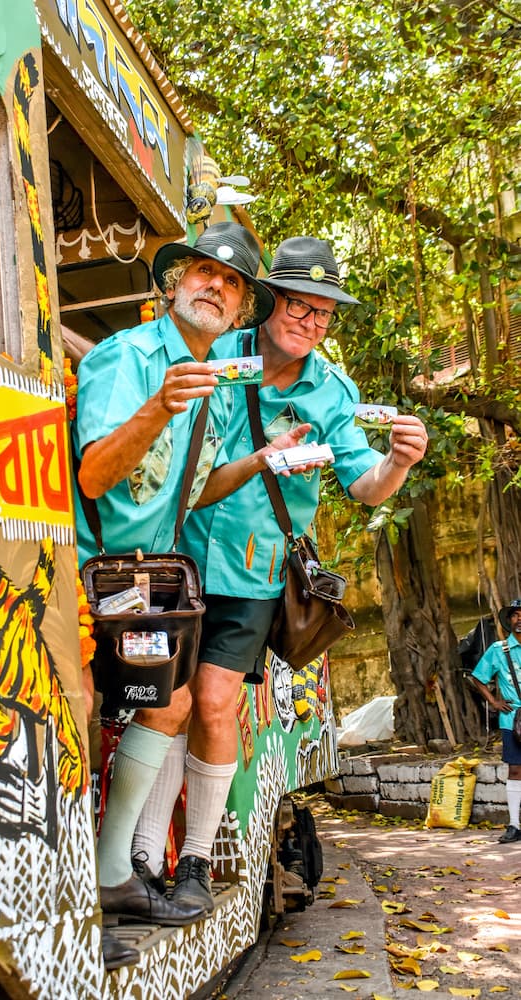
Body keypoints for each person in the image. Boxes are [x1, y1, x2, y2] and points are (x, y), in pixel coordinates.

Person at [132, 236, 428, 913]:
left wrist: (400, 463)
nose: (312, 323)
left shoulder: (333, 391)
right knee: (161, 705)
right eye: (300, 305)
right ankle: (143, 859)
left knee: (210, 705)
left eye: (324, 314)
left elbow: (364, 485)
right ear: (267, 302)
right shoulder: (211, 349)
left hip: (252, 572)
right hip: (171, 554)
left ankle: (196, 863)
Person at [73, 221, 276, 948]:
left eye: (231, 283)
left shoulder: (219, 383)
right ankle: (87, 890)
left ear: (241, 307)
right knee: (98, 709)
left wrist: (262, 461)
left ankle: (108, 875)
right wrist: (158, 404)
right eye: (202, 272)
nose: (214, 286)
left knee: (170, 700)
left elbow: (188, 495)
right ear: (171, 284)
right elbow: (95, 475)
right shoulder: (123, 358)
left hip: (143, 581)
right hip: (86, 571)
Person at [469, 599, 521, 844]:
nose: (519, 619)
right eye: (515, 615)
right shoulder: (498, 650)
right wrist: (493, 701)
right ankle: (514, 824)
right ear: (509, 621)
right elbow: (478, 677)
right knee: (515, 770)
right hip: (513, 719)